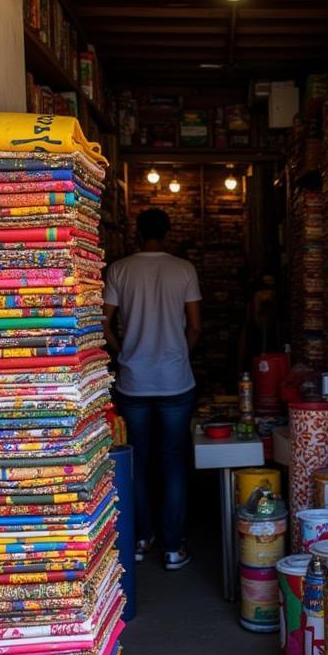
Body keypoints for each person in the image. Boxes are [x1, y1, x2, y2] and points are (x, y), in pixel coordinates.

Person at [104, 208, 202, 570]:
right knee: (174, 463)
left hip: (133, 381)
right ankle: (174, 548)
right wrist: (179, 355)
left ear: (136, 232)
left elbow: (104, 322)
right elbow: (194, 326)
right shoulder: (183, 269)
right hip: (175, 380)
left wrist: (123, 352)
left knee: (137, 463)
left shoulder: (120, 269)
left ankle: (141, 540)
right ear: (168, 231)